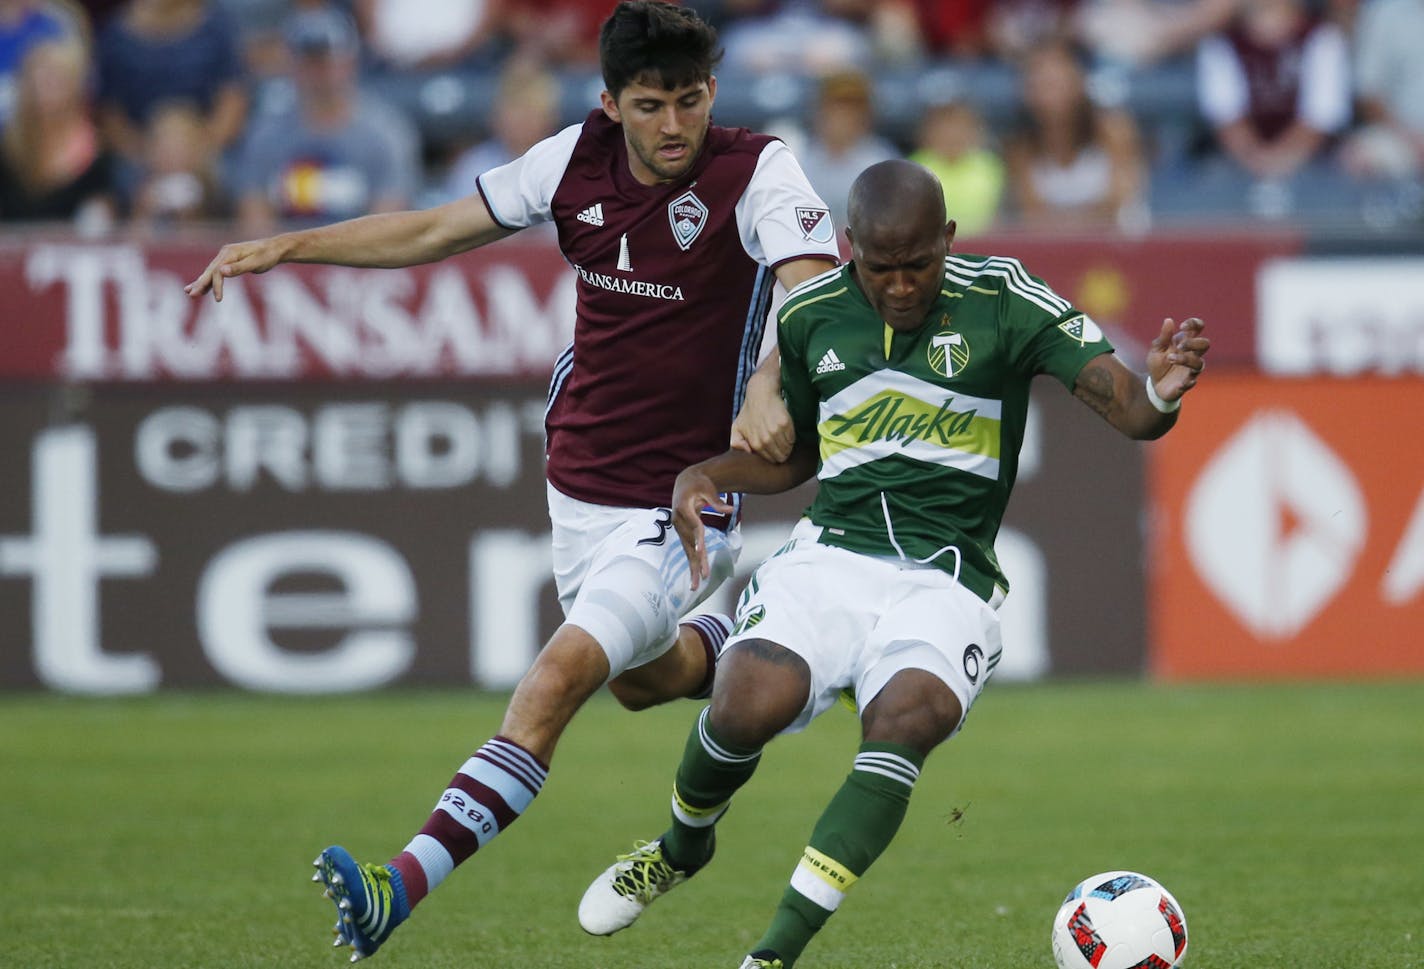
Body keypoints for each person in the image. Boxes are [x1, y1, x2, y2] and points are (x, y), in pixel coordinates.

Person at [184, 1, 840, 961]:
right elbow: (433, 231)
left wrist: (775, 377)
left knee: (556, 679)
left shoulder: (756, 168)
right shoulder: (571, 161)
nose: (672, 127)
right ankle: (759, 640)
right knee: (638, 680)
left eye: (690, 102)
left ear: (711, 95)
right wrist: (286, 245)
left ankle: (394, 887)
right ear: (610, 102)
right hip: (577, 482)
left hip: (682, 500)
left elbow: (813, 281)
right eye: (651, 105)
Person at [577, 158, 1210, 969]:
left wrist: (1158, 395)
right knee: (743, 703)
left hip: (948, 574)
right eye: (882, 267)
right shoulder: (811, 317)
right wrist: (707, 473)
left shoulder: (1005, 298)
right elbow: (794, 457)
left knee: (904, 721)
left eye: (920, 262)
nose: (903, 285)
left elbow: (1126, 406)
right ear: (851, 249)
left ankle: (769, 957)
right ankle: (680, 845)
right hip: (831, 554)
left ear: (948, 238)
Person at [231, 5, 420, 234]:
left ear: (349, 62)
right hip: (283, 262)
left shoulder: (384, 132)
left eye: (326, 60)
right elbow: (254, 220)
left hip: (360, 261)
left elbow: (388, 222)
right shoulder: (267, 134)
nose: (318, 72)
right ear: (292, 65)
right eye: (308, 61)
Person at [1004, 39, 1145, 230]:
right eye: (1040, 84)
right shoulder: (1020, 149)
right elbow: (1032, 217)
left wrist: (1062, 221)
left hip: (1116, 247)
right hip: (1053, 250)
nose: (1049, 94)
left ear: (1078, 82)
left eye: (1055, 82)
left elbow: (1119, 203)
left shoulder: (1113, 132)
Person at [0, 35, 115, 228]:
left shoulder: (99, 153)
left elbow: (103, 218)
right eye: (39, 78)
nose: (45, 88)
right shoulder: (6, 150)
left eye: (55, 78)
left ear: (76, 86)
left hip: (75, 254)